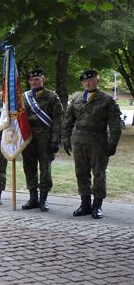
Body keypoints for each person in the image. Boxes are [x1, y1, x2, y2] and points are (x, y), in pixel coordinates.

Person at [61, 69, 121, 219]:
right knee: (81, 173)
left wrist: (112, 143)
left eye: (91, 80)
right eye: (85, 81)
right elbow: (67, 121)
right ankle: (85, 204)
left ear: (97, 81)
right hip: (79, 141)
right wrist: (66, 139)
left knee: (99, 173)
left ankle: (97, 205)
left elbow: (115, 124)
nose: (88, 83)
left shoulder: (106, 100)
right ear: (82, 83)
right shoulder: (76, 99)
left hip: (98, 142)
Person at [21, 68, 63, 212]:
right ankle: (33, 198)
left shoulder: (52, 96)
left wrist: (55, 140)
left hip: (45, 136)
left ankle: (43, 199)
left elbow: (58, 119)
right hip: (28, 136)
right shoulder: (24, 97)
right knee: (29, 166)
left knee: (45, 168)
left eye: (37, 79)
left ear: (43, 80)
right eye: (32, 80)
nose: (34, 82)